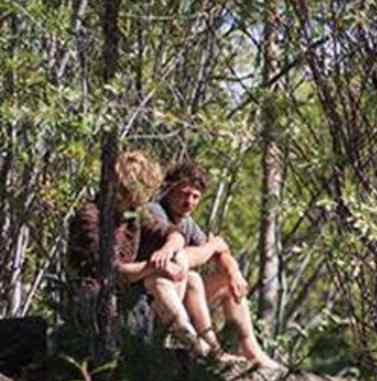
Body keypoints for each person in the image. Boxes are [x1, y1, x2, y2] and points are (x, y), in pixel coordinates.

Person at [67, 150, 213, 356]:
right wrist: (154, 267)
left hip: (128, 291)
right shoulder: (91, 217)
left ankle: (209, 345)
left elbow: (173, 233)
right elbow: (110, 271)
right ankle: (191, 342)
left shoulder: (131, 212)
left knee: (189, 275)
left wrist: (166, 250)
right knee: (158, 279)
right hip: (96, 297)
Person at [146, 162, 280, 369]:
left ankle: (253, 352)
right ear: (169, 189)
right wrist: (212, 246)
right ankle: (212, 350)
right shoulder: (154, 212)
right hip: (151, 301)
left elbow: (222, 251)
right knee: (192, 277)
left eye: (195, 197)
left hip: (178, 300)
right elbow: (180, 259)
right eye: (184, 194)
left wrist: (234, 272)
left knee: (228, 283)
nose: (189, 202)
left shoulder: (187, 222)